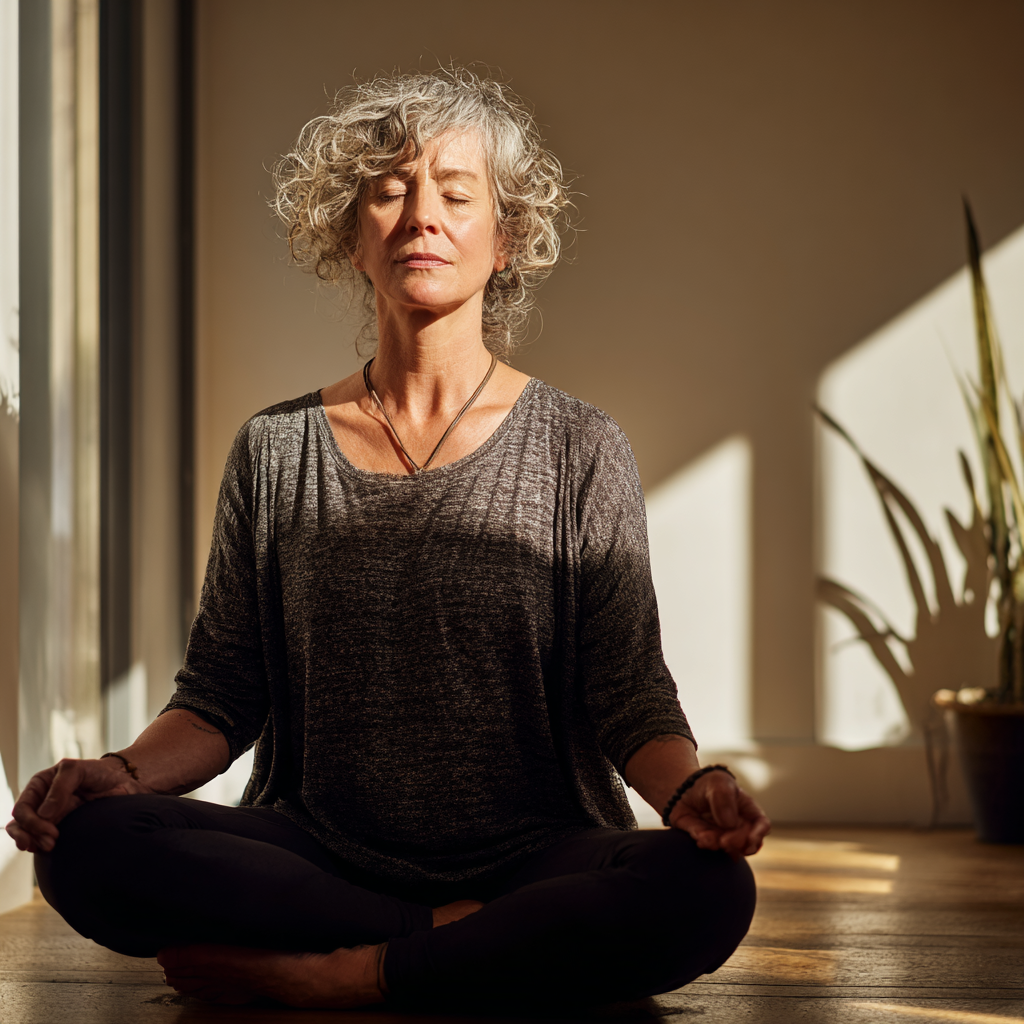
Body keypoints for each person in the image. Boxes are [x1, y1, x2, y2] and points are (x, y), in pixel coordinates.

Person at [6, 68, 770, 1011]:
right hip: (319, 848)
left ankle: (351, 972)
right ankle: (455, 945)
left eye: (457, 194)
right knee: (87, 849)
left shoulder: (581, 445)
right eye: (389, 191)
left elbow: (627, 691)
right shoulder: (276, 447)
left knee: (707, 890)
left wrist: (690, 789)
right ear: (352, 235)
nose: (422, 217)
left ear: (506, 241)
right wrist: (113, 774)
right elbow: (219, 696)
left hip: (537, 851)